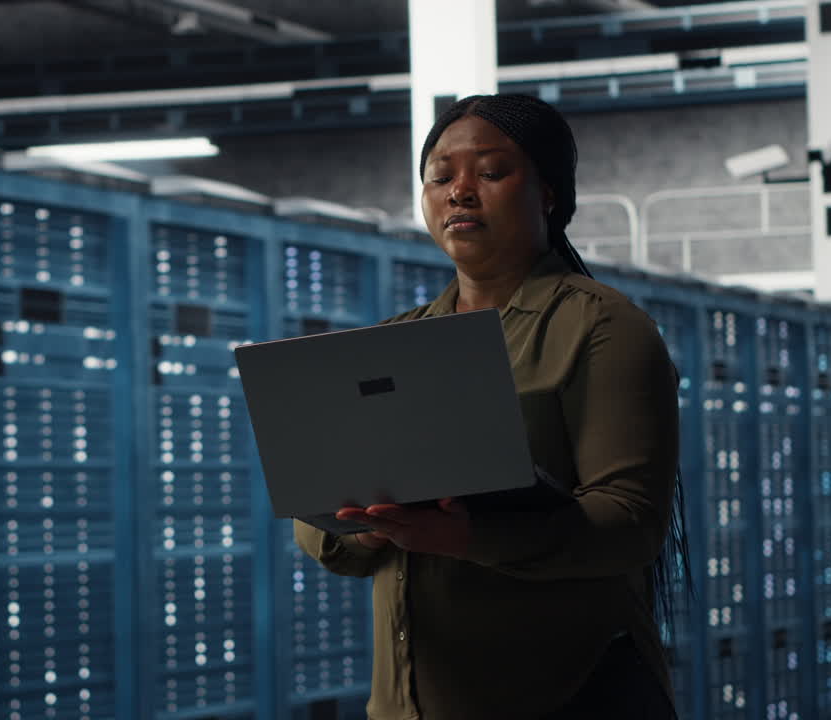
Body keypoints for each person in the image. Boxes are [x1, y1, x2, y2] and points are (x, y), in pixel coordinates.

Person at [293, 94, 687, 720]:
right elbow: (317, 525)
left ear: (548, 193)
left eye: (491, 172)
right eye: (440, 177)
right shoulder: (393, 342)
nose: (460, 192)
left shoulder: (602, 327)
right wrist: (367, 524)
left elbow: (630, 521)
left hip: (568, 697)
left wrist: (468, 536)